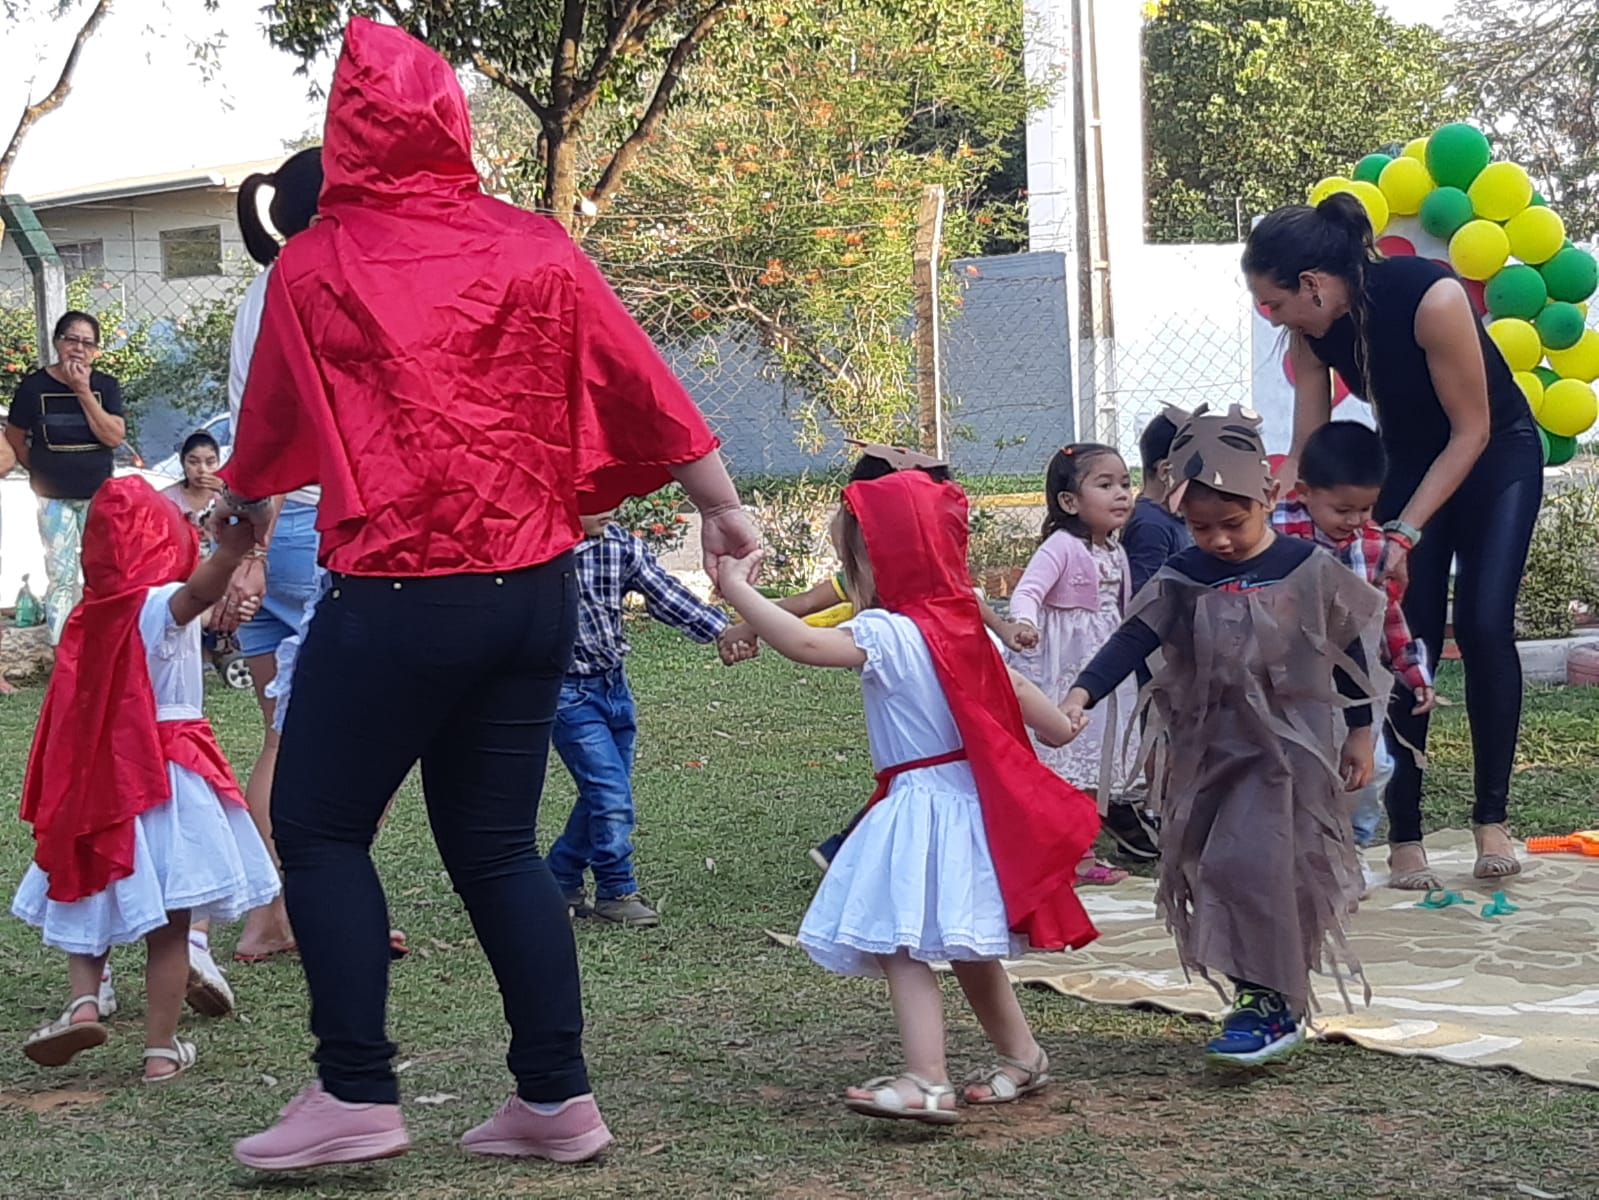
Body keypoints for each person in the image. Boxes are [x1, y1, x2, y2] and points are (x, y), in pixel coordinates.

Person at [222, 18, 758, 1172]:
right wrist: (721, 504)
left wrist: (235, 534)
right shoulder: (536, 245)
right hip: (534, 590)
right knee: (497, 848)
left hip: (400, 592)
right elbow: (639, 378)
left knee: (316, 829)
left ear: (347, 130)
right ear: (452, 118)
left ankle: (356, 1091)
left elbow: (268, 439)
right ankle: (555, 1101)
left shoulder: (314, 263)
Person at [715, 469, 1099, 1124]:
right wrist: (1067, 721)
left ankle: (926, 1079)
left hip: (922, 804)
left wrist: (734, 589)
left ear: (876, 561)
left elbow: (805, 642)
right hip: (969, 806)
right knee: (964, 944)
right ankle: (1023, 1057)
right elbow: (1044, 719)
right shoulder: (965, 635)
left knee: (900, 942)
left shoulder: (891, 633)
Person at [1061, 405, 1385, 1068]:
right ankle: (1266, 998)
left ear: (1267, 497)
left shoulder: (1305, 568)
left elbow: (1346, 649)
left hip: (1290, 754)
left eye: (1232, 524)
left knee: (1261, 865)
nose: (1219, 541)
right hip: (1210, 753)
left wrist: (1358, 734)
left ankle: (1267, 1002)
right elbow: (1134, 635)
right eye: (1199, 526)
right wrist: (1081, 692)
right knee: (1221, 869)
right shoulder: (1185, 576)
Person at [1246, 193, 1541, 887]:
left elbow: (1470, 431)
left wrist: (1403, 529)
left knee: (1482, 624)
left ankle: (1490, 821)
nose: (1273, 317)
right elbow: (1308, 448)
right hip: (1406, 459)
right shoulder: (1312, 329)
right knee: (1406, 636)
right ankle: (1404, 833)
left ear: (1312, 284)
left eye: (1274, 303)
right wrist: (1274, 495)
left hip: (1495, 455)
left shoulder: (1430, 298)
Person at [11, 478, 280, 1080]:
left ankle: (84, 1000)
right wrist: (231, 555)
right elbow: (194, 595)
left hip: (96, 779)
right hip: (162, 778)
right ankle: (160, 1050)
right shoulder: (156, 602)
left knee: (86, 884)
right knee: (171, 924)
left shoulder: (87, 616)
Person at [717, 444, 1033, 871]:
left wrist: (738, 592)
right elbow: (808, 612)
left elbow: (804, 641)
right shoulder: (912, 621)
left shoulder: (900, 627)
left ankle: (855, 852)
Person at [207, 146, 325, 965]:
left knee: (283, 733)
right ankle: (288, 911)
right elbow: (278, 433)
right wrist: (252, 553)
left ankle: (280, 910)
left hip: (261, 529)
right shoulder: (308, 283)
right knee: (313, 741)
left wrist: (244, 546)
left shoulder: (264, 286)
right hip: (310, 530)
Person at [551, 509, 729, 927]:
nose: (609, 507)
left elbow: (666, 595)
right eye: (593, 498)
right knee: (609, 794)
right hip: (566, 694)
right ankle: (616, 889)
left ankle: (559, 876)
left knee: (604, 792)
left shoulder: (618, 545)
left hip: (614, 690)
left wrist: (722, 630)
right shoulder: (540, 553)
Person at [1271, 421, 1437, 848]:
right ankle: (1300, 846)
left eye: (1365, 509)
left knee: (1373, 764)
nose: (1355, 521)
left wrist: (1412, 668)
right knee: (1296, 764)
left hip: (1360, 681)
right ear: (1303, 493)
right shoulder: (1275, 532)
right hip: (1292, 676)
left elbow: (1389, 615)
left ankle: (1352, 842)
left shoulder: (1373, 545)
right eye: (1343, 510)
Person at [1007, 444, 1137, 886]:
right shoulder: (1060, 547)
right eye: (1105, 485)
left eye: (1125, 483)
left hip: (1102, 670)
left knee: (1092, 759)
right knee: (1060, 757)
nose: (1121, 493)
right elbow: (1027, 592)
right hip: (1062, 665)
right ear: (1069, 502)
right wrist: (1024, 622)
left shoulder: (1114, 550)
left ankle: (1077, 855)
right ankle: (1061, 854)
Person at [4, 311, 126, 645]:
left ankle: (103, 642)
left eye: (88, 343)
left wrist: (82, 391)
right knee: (60, 574)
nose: (78, 348)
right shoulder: (33, 387)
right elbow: (15, 438)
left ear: (95, 351)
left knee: (101, 569)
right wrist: (40, 469)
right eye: (72, 339)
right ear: (58, 342)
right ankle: (65, 647)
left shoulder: (105, 386)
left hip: (98, 495)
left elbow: (114, 436)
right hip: (52, 496)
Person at [1120, 413, 1192, 595]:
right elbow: (1145, 600)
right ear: (1165, 471)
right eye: (1196, 469)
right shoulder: (1150, 526)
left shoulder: (1167, 518)